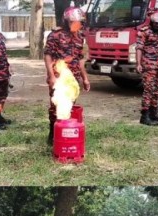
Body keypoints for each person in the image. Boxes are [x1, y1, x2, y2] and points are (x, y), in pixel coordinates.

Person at [43, 6, 91, 144]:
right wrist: (51, 76)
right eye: (73, 22)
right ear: (66, 21)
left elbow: (80, 60)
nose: (76, 24)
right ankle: (53, 133)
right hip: (58, 77)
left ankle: (65, 132)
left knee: (69, 105)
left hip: (73, 79)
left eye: (79, 22)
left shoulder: (80, 37)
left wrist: (85, 78)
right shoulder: (55, 35)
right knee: (55, 106)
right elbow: (48, 56)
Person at [136, 11, 158, 126]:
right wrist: (138, 63)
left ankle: (153, 113)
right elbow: (139, 48)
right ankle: (144, 116)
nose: (157, 26)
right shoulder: (144, 31)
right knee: (148, 90)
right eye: (156, 23)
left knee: (157, 90)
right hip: (149, 66)